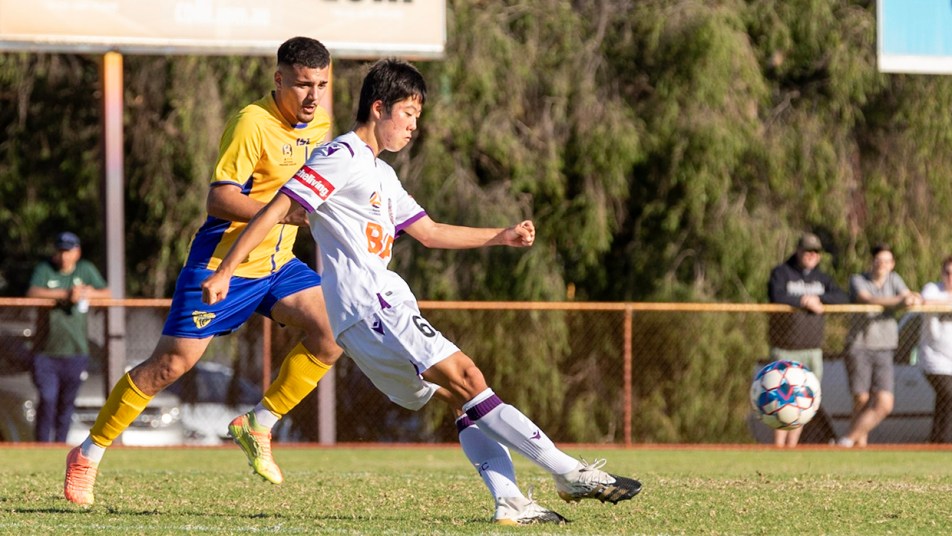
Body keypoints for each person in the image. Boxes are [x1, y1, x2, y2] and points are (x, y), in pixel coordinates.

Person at [202, 58, 642, 521]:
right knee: (469, 378)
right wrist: (226, 270)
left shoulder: (383, 175)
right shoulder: (340, 156)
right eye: (408, 114)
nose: (413, 126)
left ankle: (510, 502)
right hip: (371, 302)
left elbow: (429, 232)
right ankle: (568, 472)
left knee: (459, 395)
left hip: (362, 316)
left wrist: (501, 236)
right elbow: (276, 209)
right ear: (378, 108)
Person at [64, 36, 343, 506]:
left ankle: (260, 422)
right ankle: (88, 453)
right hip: (221, 265)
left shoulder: (321, 127)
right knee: (169, 366)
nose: (313, 95)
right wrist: (287, 214)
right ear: (279, 80)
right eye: (302, 84)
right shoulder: (251, 122)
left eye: (321, 84)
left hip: (278, 265)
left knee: (333, 332)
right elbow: (219, 198)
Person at [27, 232, 111, 442]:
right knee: (48, 399)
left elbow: (107, 293)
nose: (64, 256)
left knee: (67, 403)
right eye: (61, 251)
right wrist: (66, 295)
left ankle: (60, 444)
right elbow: (33, 293)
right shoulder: (45, 270)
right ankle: (41, 445)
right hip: (46, 352)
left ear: (77, 252)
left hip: (76, 352)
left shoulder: (86, 270)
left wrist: (88, 293)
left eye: (69, 251)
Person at [767, 232, 848, 447]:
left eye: (815, 252)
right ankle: (778, 446)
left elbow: (842, 297)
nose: (811, 255)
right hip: (786, 348)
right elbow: (776, 295)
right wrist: (802, 300)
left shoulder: (822, 279)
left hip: (812, 349)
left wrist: (818, 298)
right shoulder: (782, 273)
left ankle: (792, 445)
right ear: (798, 251)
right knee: (781, 400)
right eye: (807, 251)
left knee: (803, 401)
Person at [839, 244, 921, 447]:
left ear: (892, 264)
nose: (882, 264)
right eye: (878, 260)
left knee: (885, 403)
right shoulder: (858, 280)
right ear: (872, 262)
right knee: (862, 398)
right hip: (860, 346)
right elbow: (868, 299)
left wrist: (912, 297)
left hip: (885, 348)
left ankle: (847, 440)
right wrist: (900, 301)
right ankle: (860, 445)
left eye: (886, 261)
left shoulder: (894, 279)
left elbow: (909, 296)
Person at [917, 256, 952, 444]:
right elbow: (926, 302)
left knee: (944, 401)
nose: (950, 277)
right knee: (949, 394)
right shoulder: (933, 289)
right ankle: (945, 443)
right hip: (934, 359)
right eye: (947, 273)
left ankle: (936, 442)